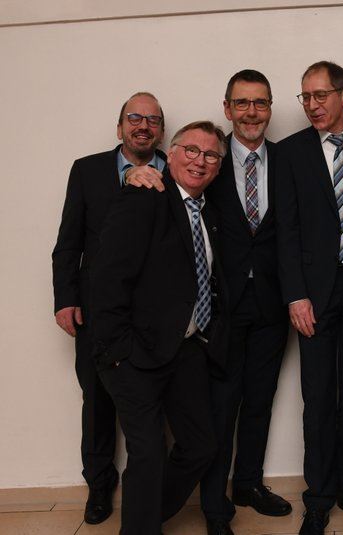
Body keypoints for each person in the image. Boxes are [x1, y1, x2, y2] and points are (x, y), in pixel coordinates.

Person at [126, 70, 292, 535]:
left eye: (260, 102)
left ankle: (249, 484)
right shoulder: (207, 159)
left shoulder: (290, 158)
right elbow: (172, 172)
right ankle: (215, 506)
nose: (251, 112)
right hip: (218, 310)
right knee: (220, 410)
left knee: (260, 403)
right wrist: (135, 170)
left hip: (273, 305)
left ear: (271, 107)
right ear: (227, 108)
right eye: (242, 103)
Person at [91, 121, 228, 535]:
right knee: (148, 453)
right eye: (191, 150)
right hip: (133, 354)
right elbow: (107, 277)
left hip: (183, 349)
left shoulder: (208, 212)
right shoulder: (144, 196)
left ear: (219, 166)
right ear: (172, 154)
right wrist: (118, 351)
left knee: (201, 445)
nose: (199, 161)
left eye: (210, 155)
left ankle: (147, 514)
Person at [275, 61, 343, 535]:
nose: (312, 105)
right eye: (305, 97)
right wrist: (295, 296)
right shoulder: (290, 152)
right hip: (315, 292)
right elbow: (286, 231)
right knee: (318, 398)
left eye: (321, 95)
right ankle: (318, 499)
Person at [51, 91, 166, 525]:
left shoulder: (176, 170)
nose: (143, 126)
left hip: (155, 315)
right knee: (98, 401)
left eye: (152, 120)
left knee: (153, 403)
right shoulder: (88, 170)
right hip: (96, 311)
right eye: (134, 118)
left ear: (161, 131)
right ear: (120, 127)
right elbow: (69, 242)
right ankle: (99, 485)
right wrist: (66, 299)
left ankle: (149, 490)